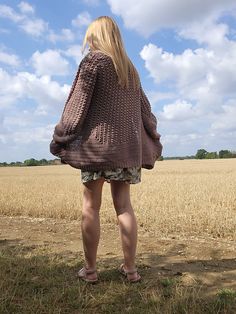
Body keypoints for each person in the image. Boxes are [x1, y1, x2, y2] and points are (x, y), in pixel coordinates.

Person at [50, 16, 162, 283]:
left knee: (91, 207)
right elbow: (146, 113)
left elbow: (76, 109)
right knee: (124, 208)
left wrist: (60, 136)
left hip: (97, 151)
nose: (87, 42)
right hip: (127, 153)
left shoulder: (93, 62)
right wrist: (154, 136)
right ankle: (131, 270)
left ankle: (90, 271)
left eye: (90, 37)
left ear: (96, 36)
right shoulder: (130, 69)